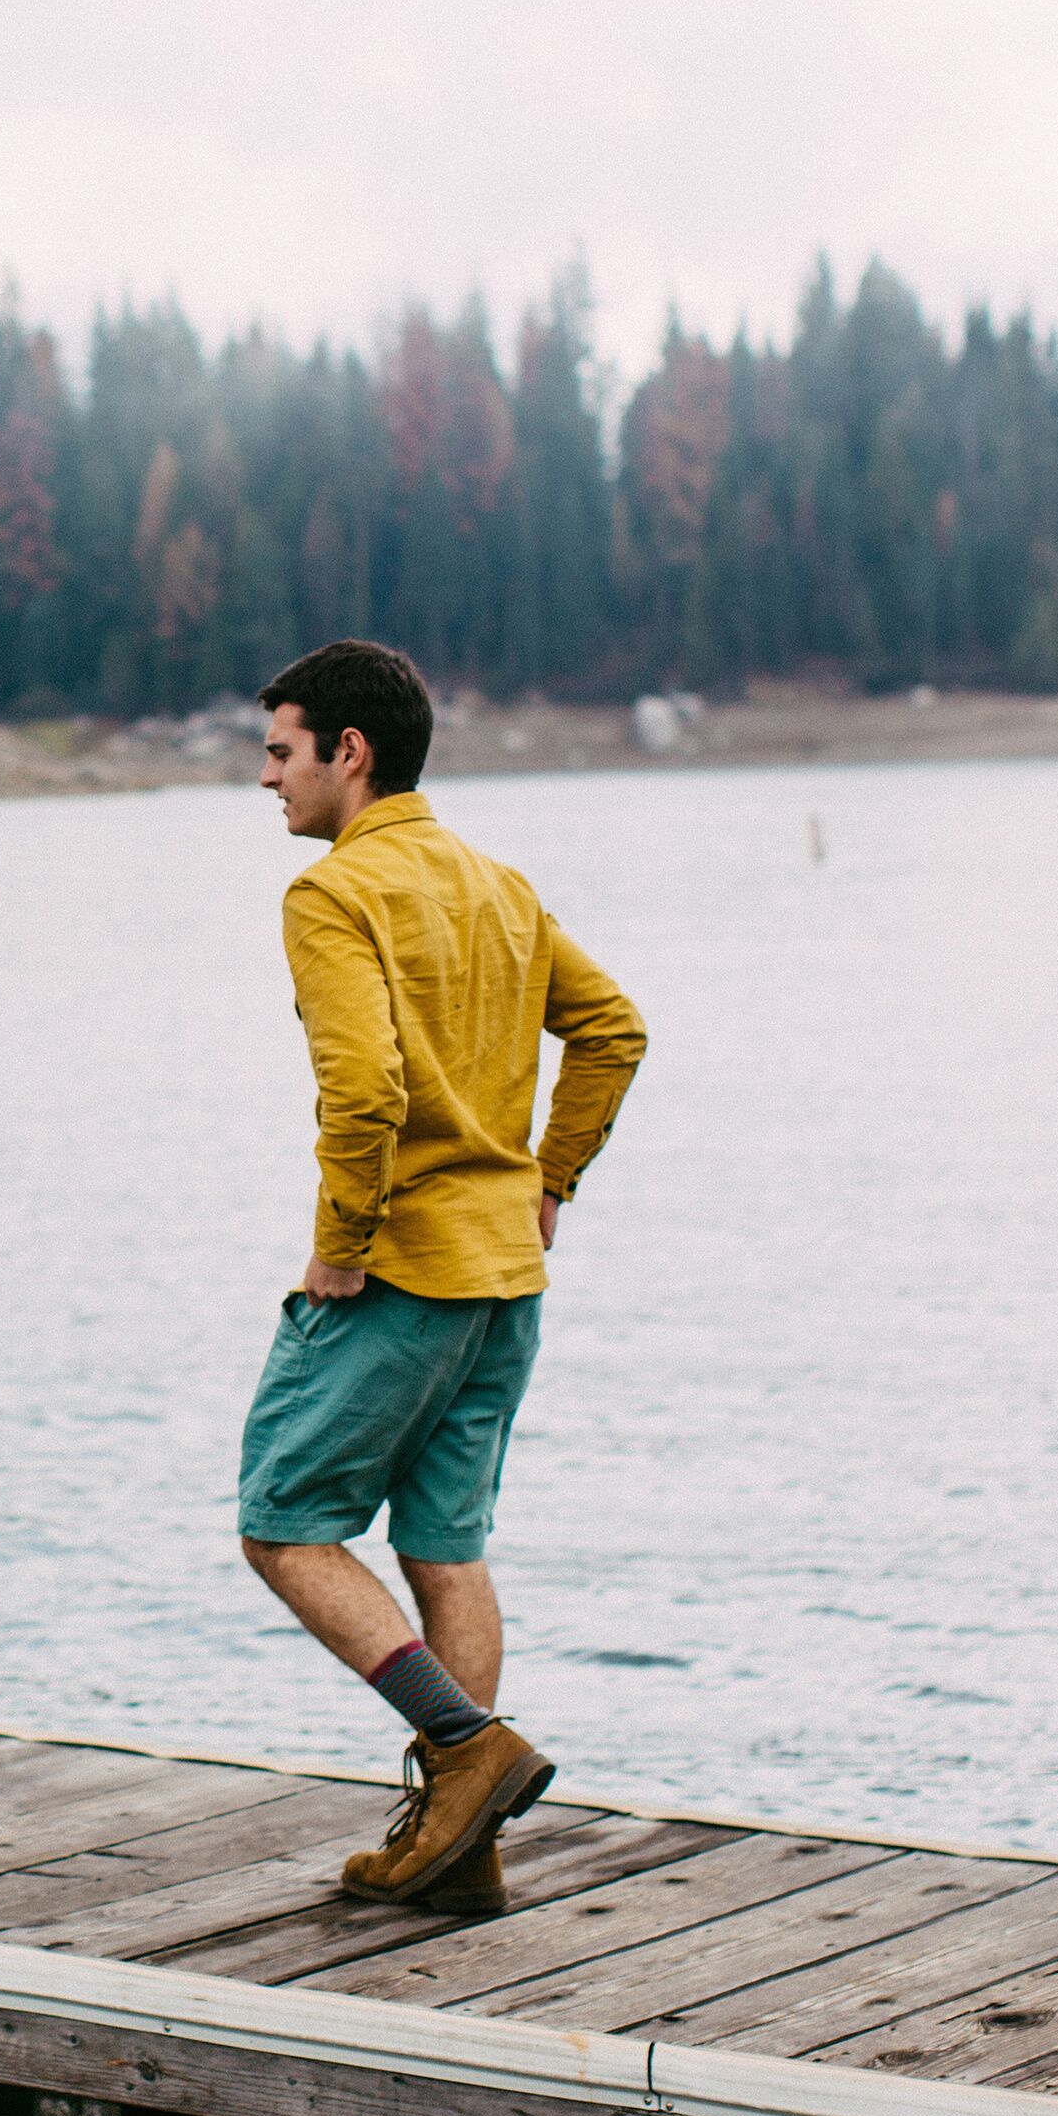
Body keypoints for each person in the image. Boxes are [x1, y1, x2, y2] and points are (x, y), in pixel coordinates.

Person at [240, 639, 647, 1910]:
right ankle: (463, 1847)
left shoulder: (334, 895)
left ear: (346, 754)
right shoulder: (496, 883)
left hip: (401, 1273)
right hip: (504, 1280)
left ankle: (466, 1749)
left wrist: (337, 1248)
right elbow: (612, 1031)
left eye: (279, 751)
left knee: (286, 1522)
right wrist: (550, 1182)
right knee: (446, 1544)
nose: (267, 781)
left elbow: (364, 1091)